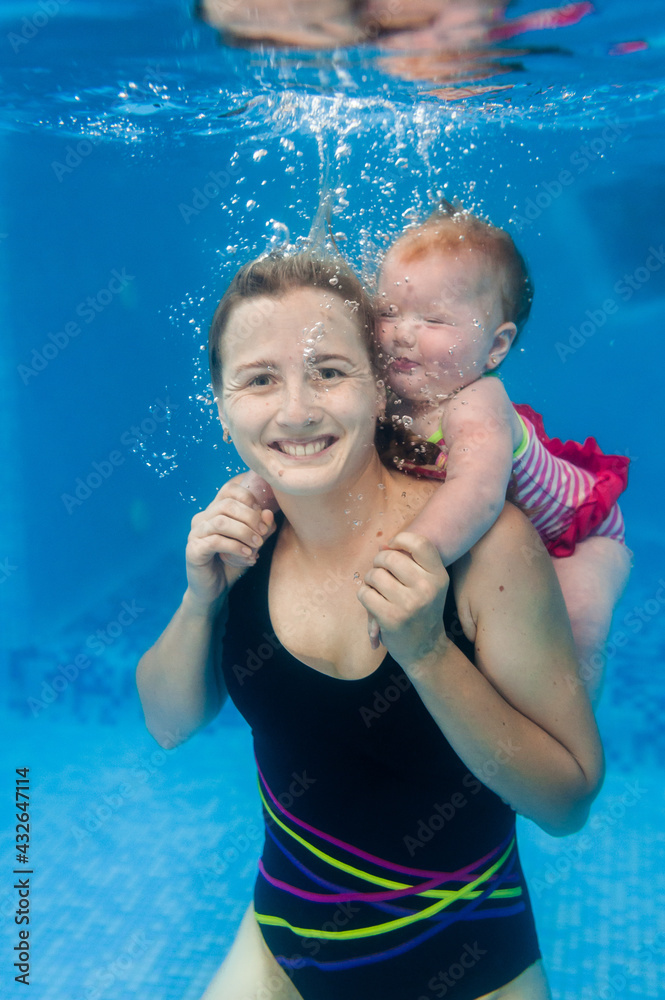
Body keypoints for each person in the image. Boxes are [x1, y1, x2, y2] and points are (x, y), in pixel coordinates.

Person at [136, 251, 604, 1000]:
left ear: (378, 385)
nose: (295, 410)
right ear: (222, 408)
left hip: (468, 965)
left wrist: (427, 654)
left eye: (327, 371)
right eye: (259, 379)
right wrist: (200, 600)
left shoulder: (485, 550)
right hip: (279, 947)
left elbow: (567, 803)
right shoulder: (243, 541)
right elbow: (165, 724)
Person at [372, 203, 631, 704]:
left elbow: (477, 493)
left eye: (433, 318)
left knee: (576, 624)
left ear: (495, 346)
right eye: (387, 311)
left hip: (580, 531)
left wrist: (401, 563)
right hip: (514, 537)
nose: (402, 331)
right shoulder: (387, 392)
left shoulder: (477, 402)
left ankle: (565, 729)